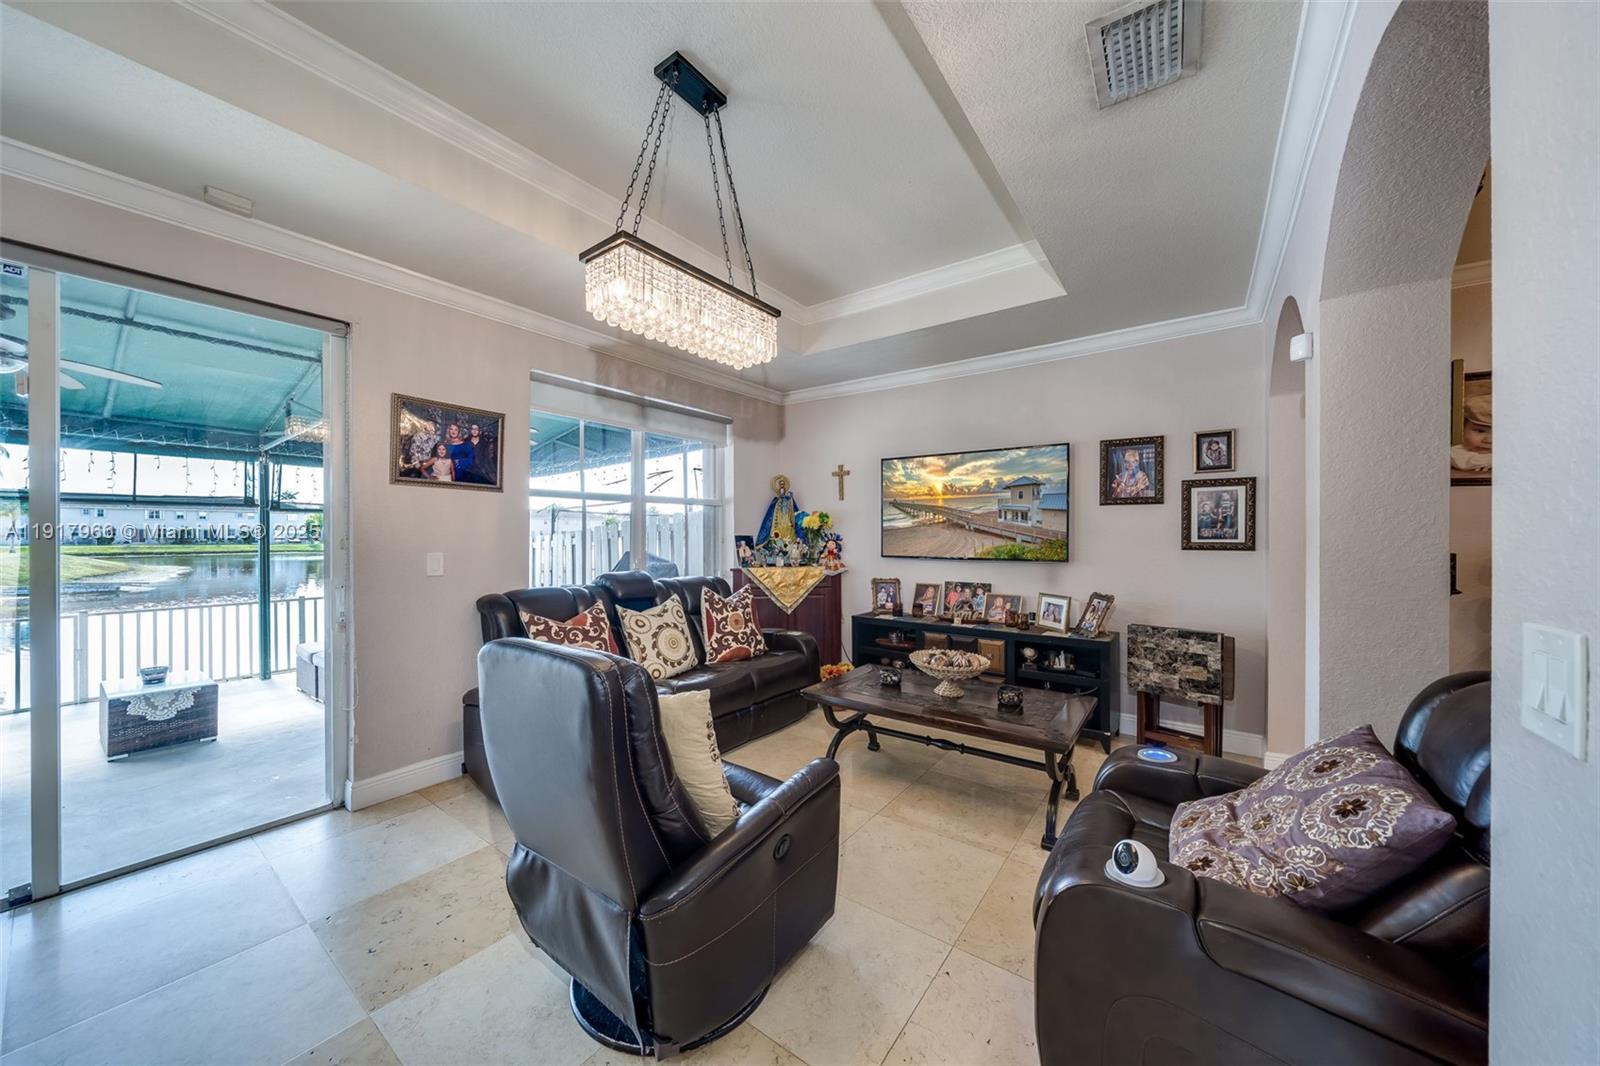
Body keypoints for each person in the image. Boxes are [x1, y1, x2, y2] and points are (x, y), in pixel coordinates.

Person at [1451, 393, 1493, 475]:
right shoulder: (1455, 453)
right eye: (1480, 431)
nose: (1489, 440)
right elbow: (1465, 461)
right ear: (1463, 429)